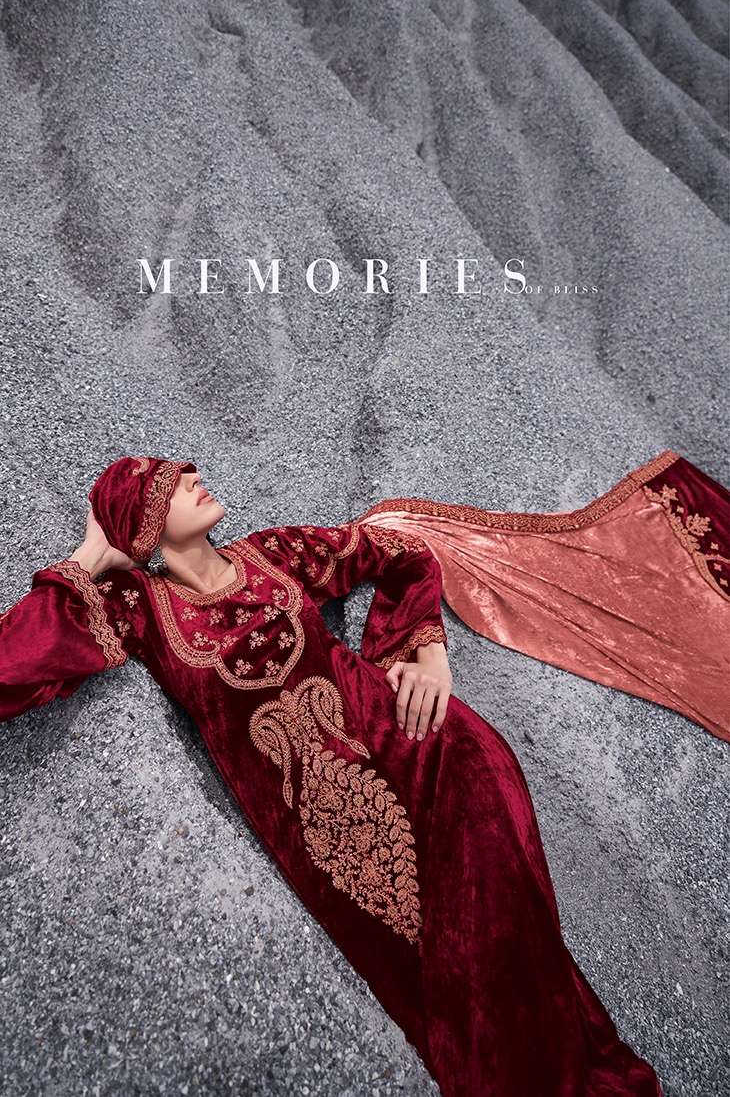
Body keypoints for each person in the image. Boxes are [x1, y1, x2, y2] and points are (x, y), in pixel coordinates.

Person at [0, 454, 669, 1096]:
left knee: (501, 930)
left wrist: (424, 652)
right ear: (143, 524)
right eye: (171, 482)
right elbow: (14, 665)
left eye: (188, 469)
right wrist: (91, 556)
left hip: (432, 749)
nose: (194, 476)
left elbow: (400, 553)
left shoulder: (273, 554)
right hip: (334, 827)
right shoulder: (139, 609)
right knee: (446, 972)